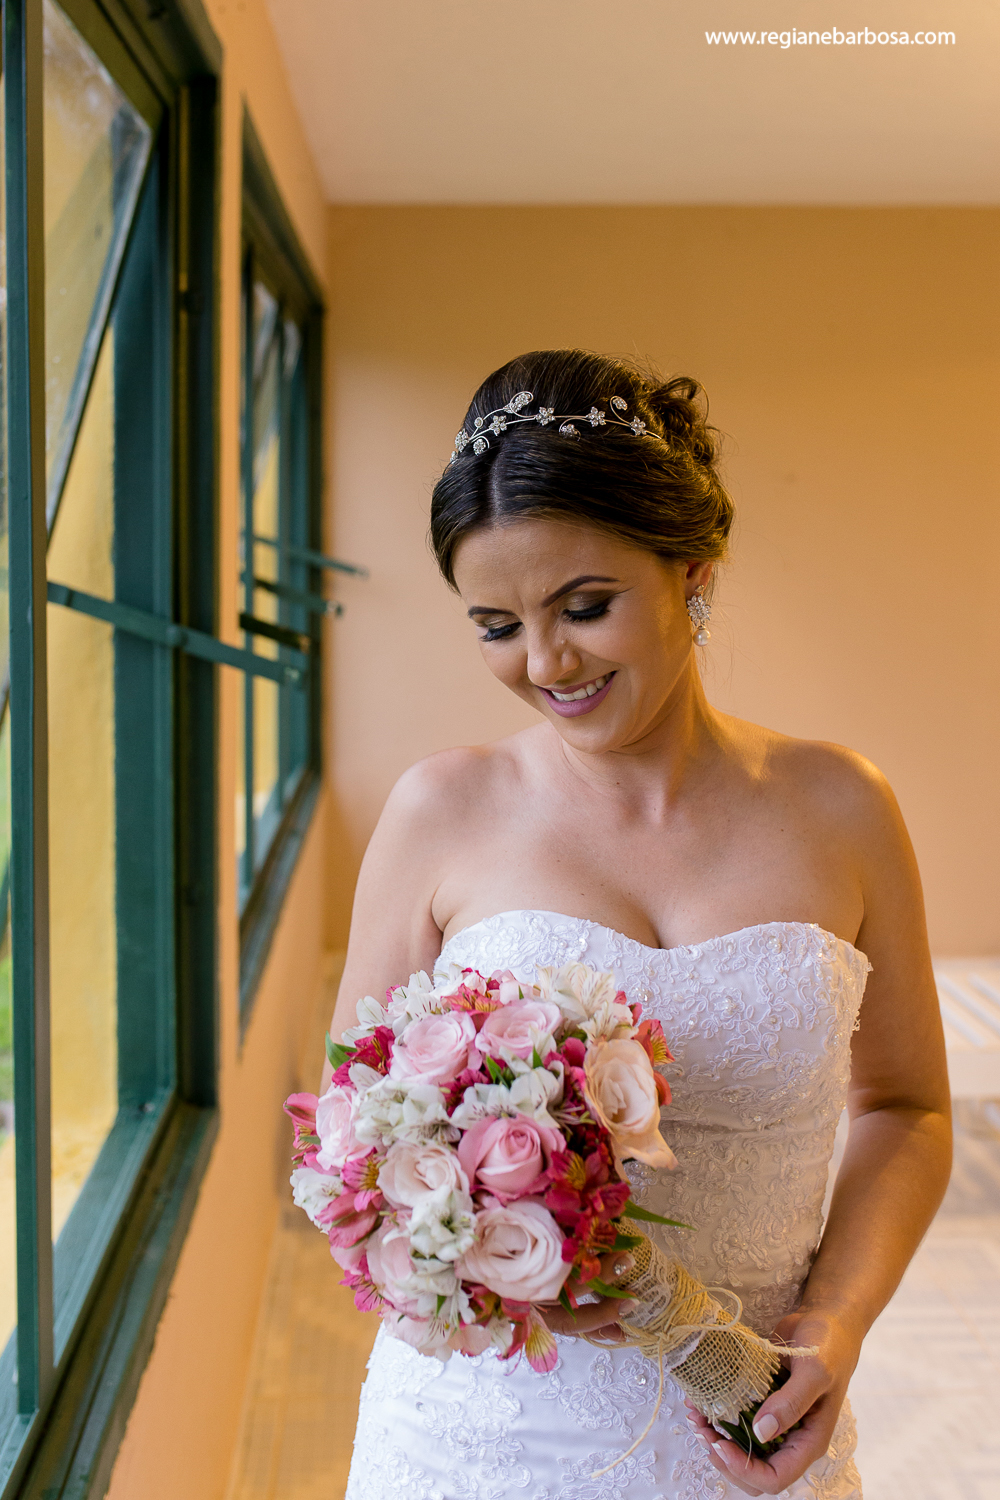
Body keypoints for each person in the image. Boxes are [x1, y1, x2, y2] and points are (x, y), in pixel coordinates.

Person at [335, 349, 951, 1499]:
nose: (545, 662)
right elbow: (344, 1145)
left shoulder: (841, 807)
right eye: (495, 624)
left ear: (692, 573)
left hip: (755, 1417)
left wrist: (836, 1327)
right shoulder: (439, 811)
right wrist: (480, 1248)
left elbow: (906, 1106)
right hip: (479, 1443)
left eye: (585, 607)